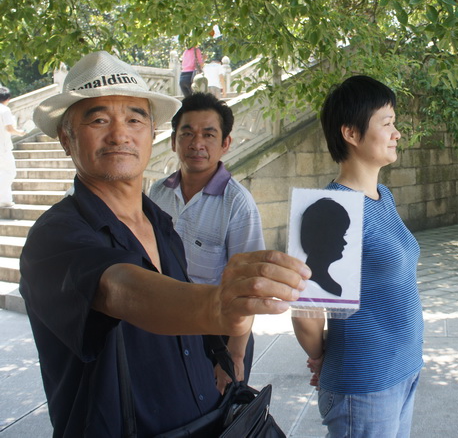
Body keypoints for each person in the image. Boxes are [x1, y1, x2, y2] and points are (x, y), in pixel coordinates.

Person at [19, 51, 310, 437]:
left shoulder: (160, 222)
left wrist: (227, 350)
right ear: (66, 138)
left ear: (151, 132)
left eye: (134, 119)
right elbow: (119, 288)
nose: (120, 134)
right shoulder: (54, 237)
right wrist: (215, 305)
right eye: (99, 119)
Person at [292, 75, 424, 438]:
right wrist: (321, 356)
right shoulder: (331, 208)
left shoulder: (383, 196)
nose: (397, 133)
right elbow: (306, 312)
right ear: (351, 133)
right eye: (387, 123)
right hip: (365, 384)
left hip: (403, 369)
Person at [149, 92, 263, 389]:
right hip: (166, 328)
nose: (196, 143)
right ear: (173, 141)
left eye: (209, 134)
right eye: (187, 133)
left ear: (225, 143)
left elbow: (249, 285)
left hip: (218, 337)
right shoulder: (157, 193)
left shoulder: (237, 203)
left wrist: (234, 354)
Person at [300, 197, 351, 297]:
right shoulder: (330, 287)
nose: (344, 242)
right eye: (339, 235)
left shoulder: (333, 286)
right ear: (321, 237)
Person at [0, 86, 25, 207]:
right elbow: (9, 128)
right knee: (10, 172)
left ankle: (5, 198)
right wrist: (20, 133)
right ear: (7, 98)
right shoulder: (4, 110)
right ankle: (4, 199)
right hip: (3, 148)